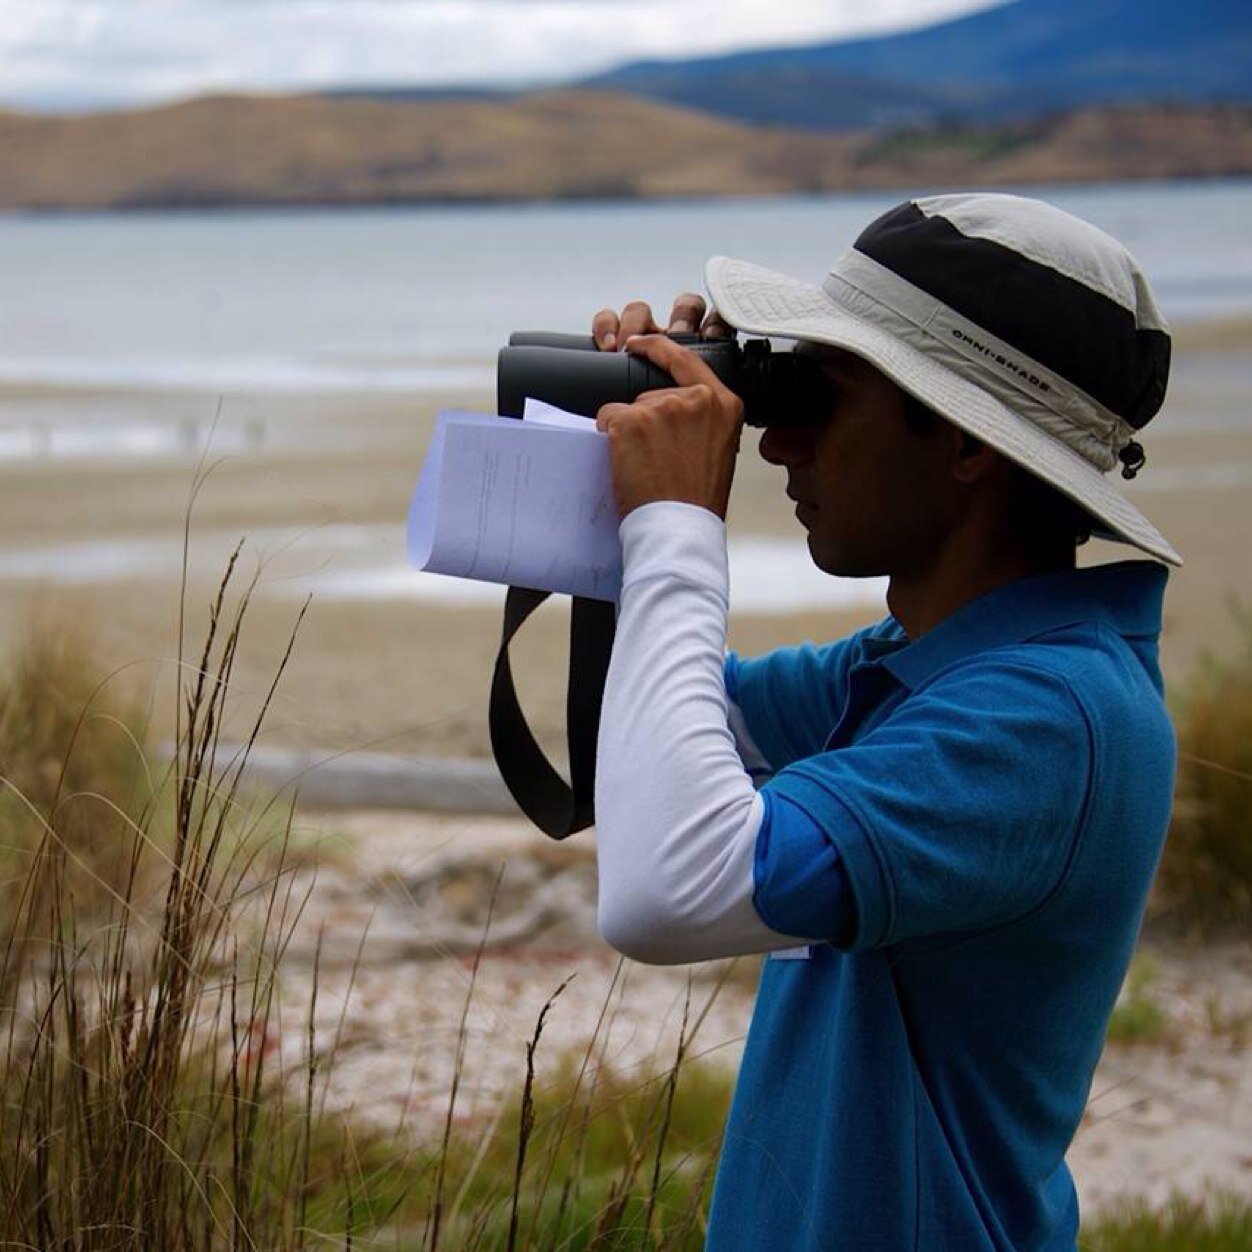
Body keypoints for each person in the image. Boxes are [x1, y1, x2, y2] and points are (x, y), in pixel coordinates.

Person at [586, 193, 1179, 1252]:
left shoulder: (1050, 719)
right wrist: (618, 465)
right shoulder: (920, 668)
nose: (781, 448)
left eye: (828, 395)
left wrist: (675, 527)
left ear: (962, 444)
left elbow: (660, 888)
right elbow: (638, 740)